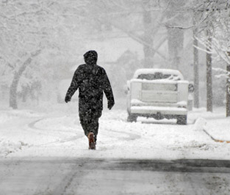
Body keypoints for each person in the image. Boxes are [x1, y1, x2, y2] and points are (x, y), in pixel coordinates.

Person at [65, 50, 115, 150]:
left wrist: (69, 94)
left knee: (83, 119)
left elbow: (74, 83)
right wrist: (110, 99)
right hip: (97, 100)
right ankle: (93, 136)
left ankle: (89, 133)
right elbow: (107, 86)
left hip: (84, 100)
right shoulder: (100, 70)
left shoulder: (81, 69)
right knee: (94, 120)